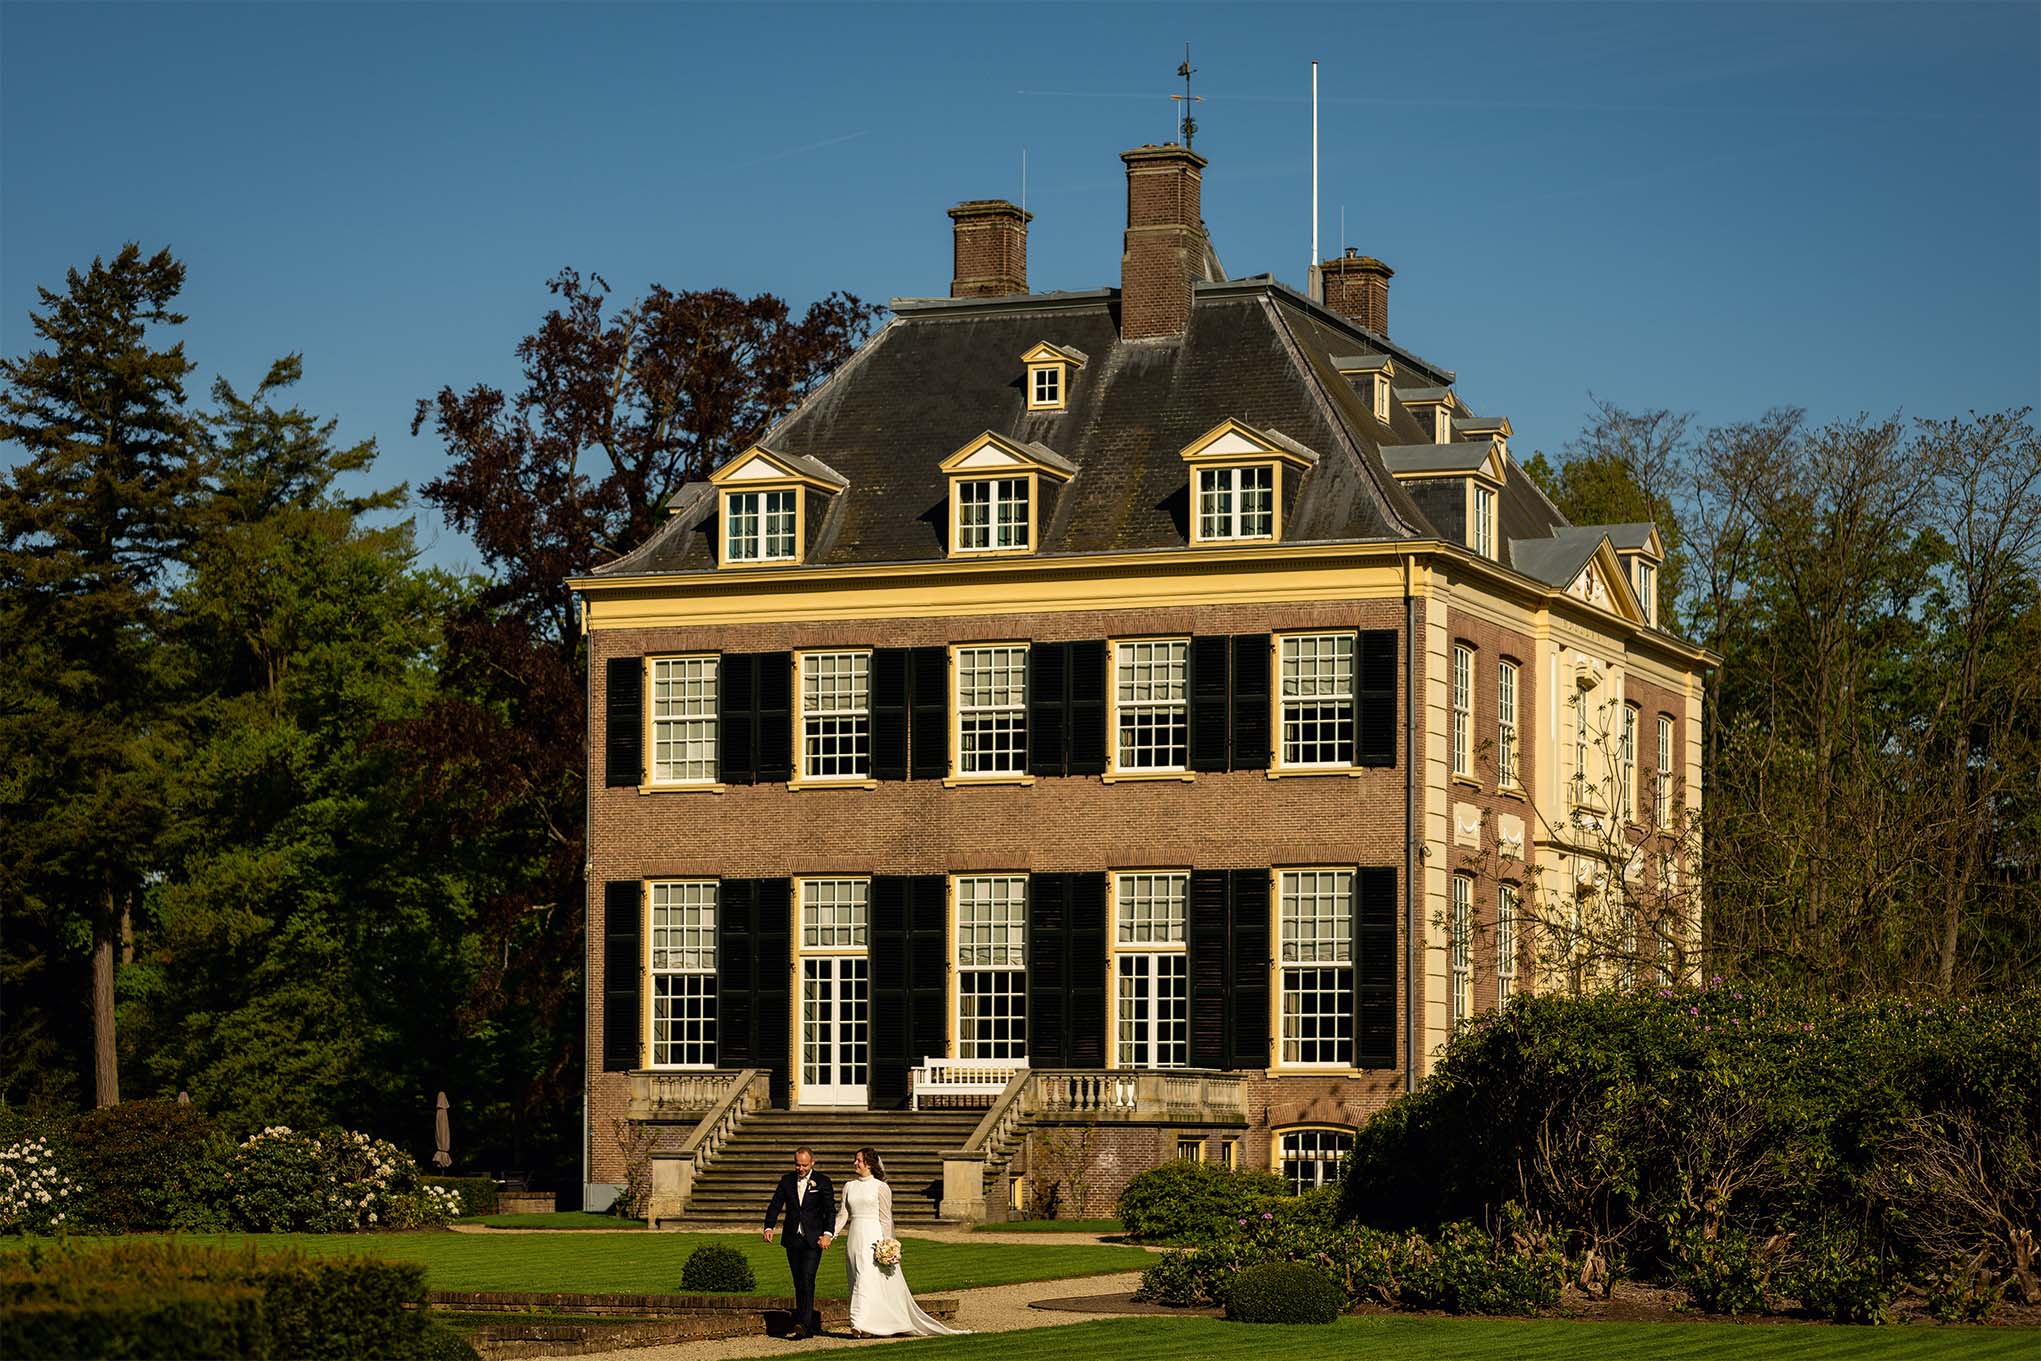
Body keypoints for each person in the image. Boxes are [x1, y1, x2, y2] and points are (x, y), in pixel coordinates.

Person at [832, 1146, 970, 1337]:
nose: (855, 1163)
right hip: (854, 1236)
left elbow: (885, 1218)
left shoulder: (881, 1187)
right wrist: (831, 1234)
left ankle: (857, 1322)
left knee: (864, 1277)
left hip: (873, 1236)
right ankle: (871, 1324)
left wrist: (888, 1244)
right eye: (855, 1160)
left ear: (869, 1164)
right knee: (857, 1277)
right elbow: (843, 1215)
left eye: (859, 1160)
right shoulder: (849, 1186)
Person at [762, 1145, 835, 1339]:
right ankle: (804, 1321)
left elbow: (830, 1211)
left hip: (813, 1238)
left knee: (807, 1277)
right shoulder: (786, 1180)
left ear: (812, 1163)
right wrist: (769, 1227)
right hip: (792, 1238)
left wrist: (828, 1234)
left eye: (804, 1165)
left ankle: (804, 1323)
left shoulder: (823, 1181)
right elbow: (775, 1204)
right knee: (798, 1280)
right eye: (797, 1165)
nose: (800, 1169)